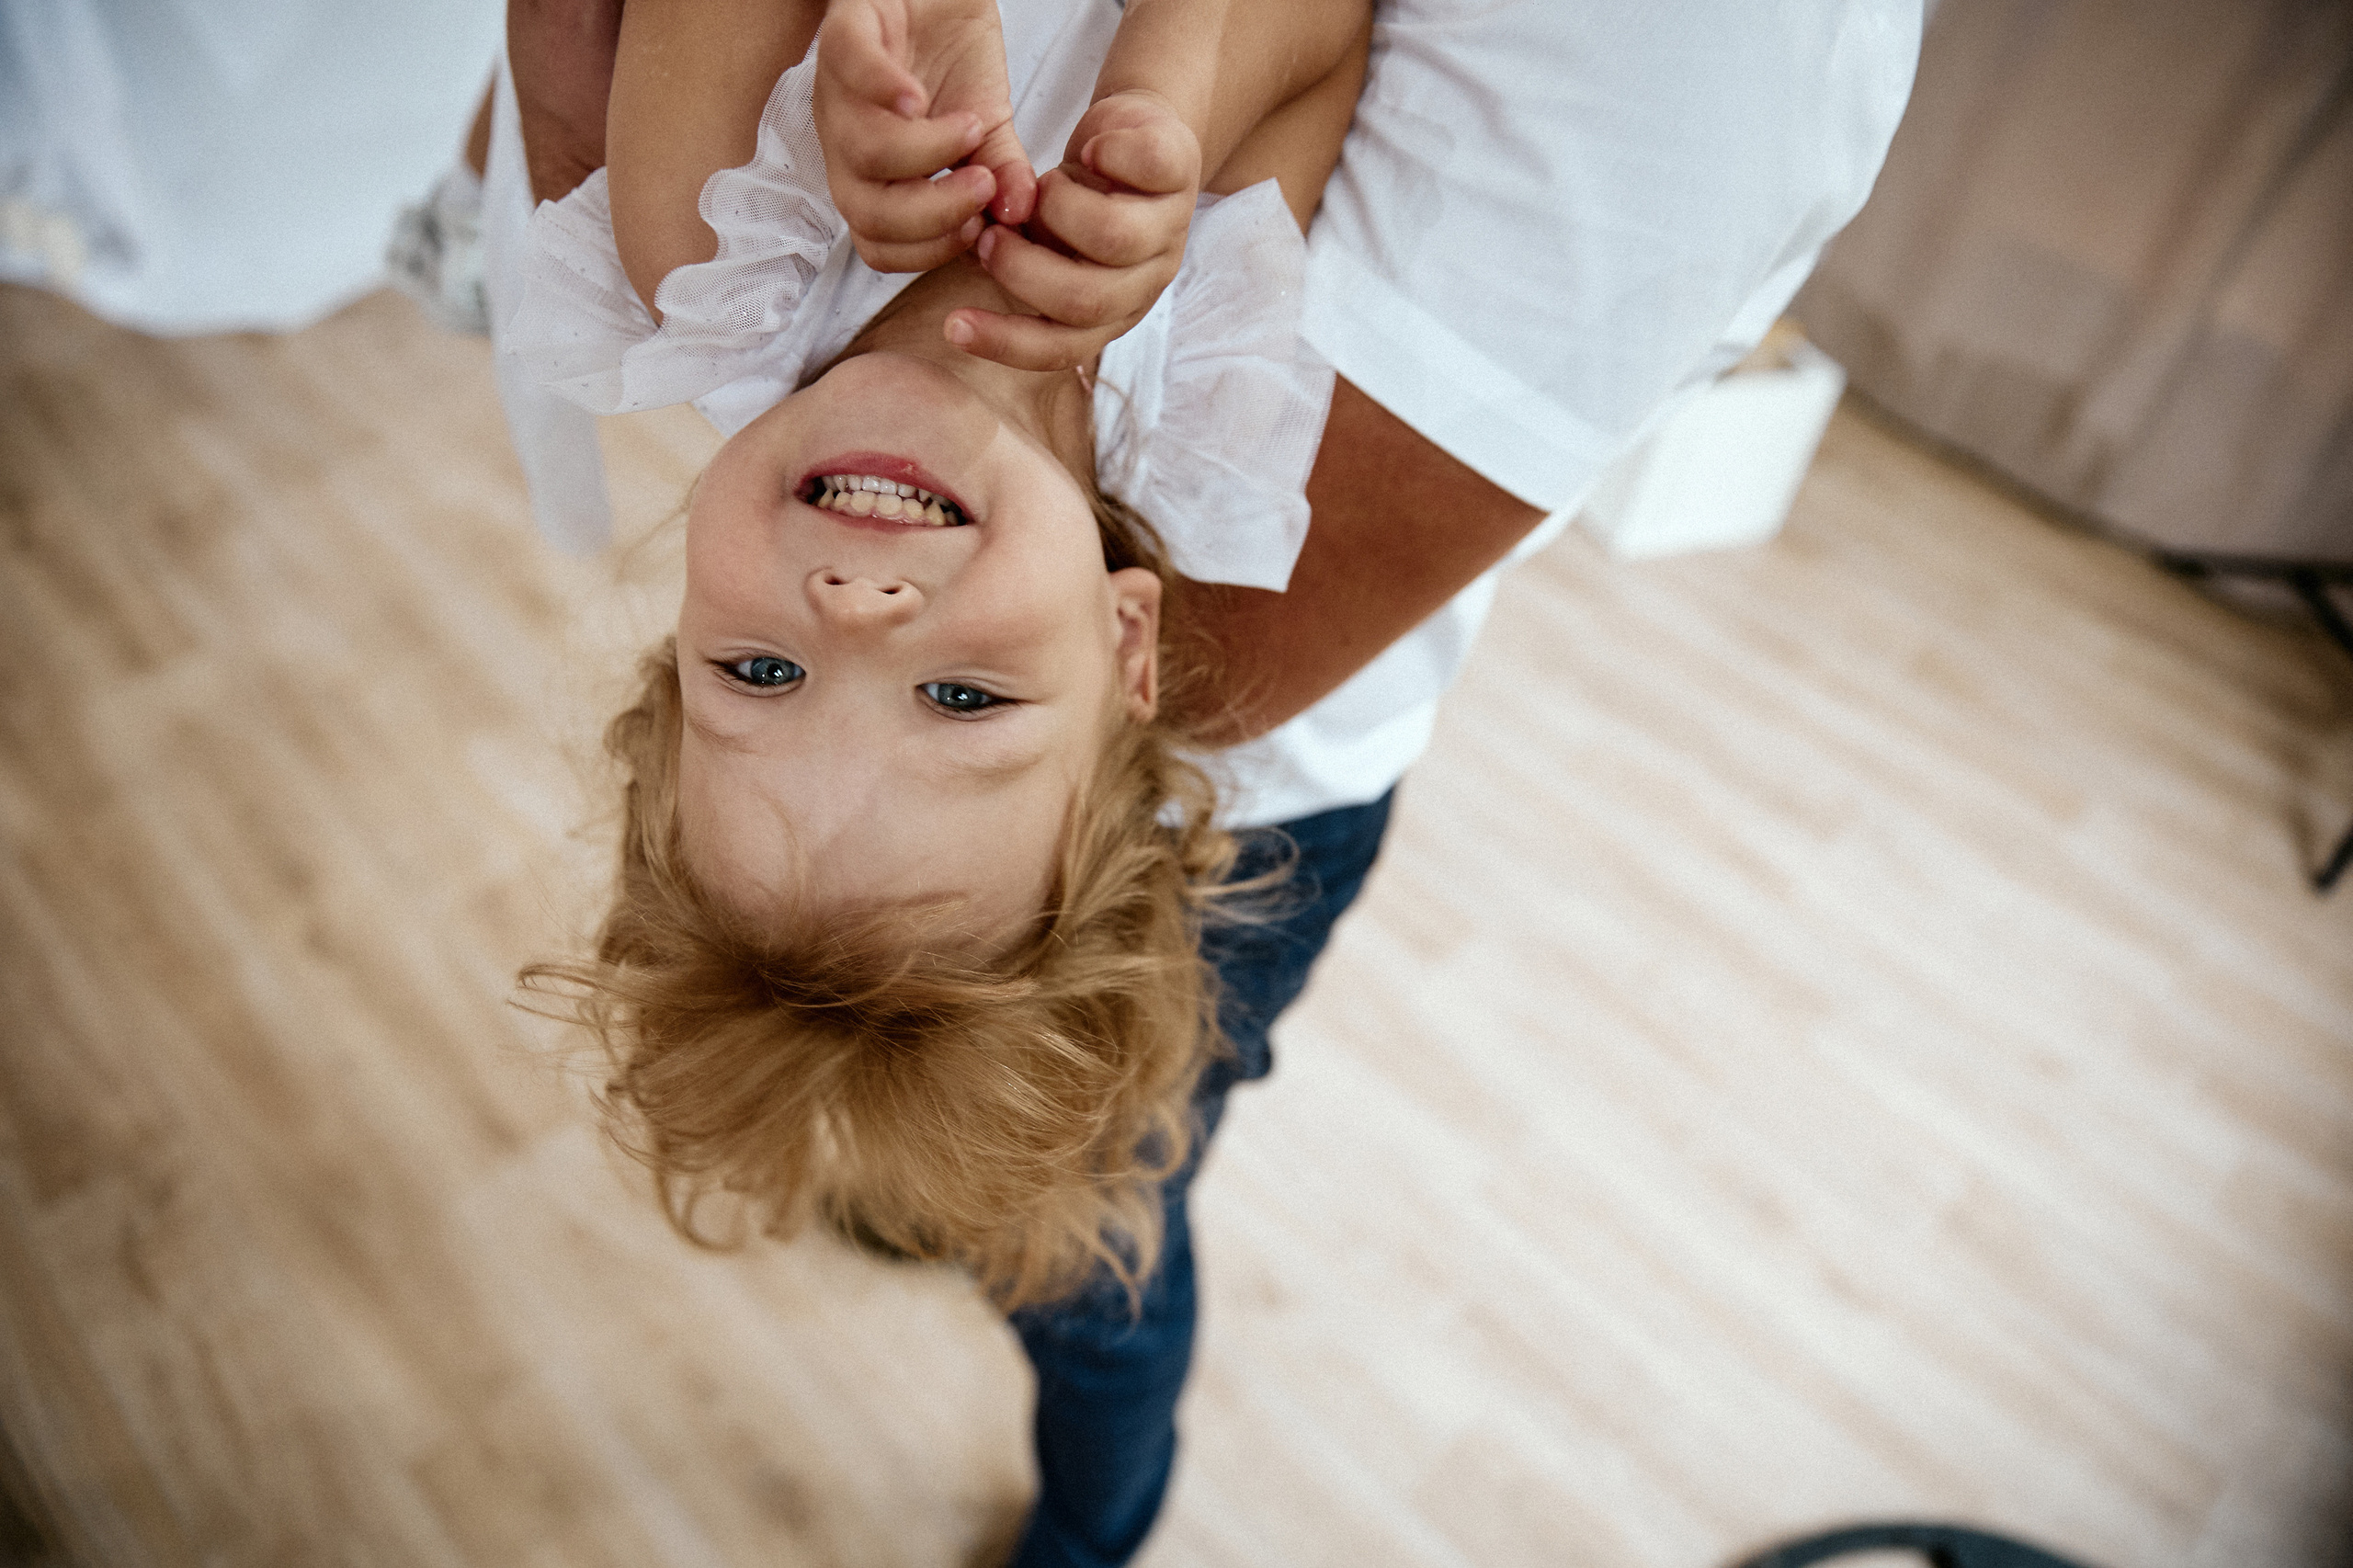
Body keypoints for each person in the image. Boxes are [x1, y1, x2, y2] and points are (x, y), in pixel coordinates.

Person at [494, 2, 1923, 1562]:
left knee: (1076, 1242)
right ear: (1135, 645)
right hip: (1203, 848)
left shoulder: (709, 247)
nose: (852, 606)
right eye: (958, 699)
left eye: (758, 674)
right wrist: (1163, 99)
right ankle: (1065, 1428)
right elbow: (1312, 34)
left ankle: (1054, 1434)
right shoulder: (1221, 415)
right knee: (1088, 1226)